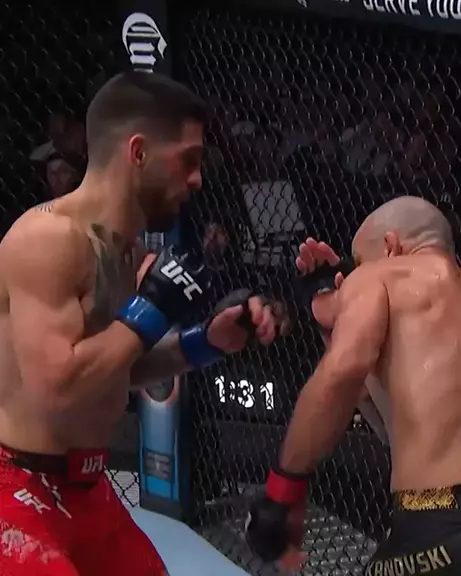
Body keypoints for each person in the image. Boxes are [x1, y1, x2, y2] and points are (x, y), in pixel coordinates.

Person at [0, 71, 279, 575]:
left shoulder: (122, 251)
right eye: (188, 160)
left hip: (89, 489)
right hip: (18, 491)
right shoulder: (48, 240)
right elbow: (58, 390)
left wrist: (204, 342)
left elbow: (112, 368)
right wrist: (152, 307)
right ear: (138, 152)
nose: (197, 179)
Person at [247, 196, 461, 574]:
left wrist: (283, 492)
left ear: (391, 247)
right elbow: (386, 427)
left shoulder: (381, 274)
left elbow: (342, 371)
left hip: (438, 520)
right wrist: (335, 328)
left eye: (358, 262)